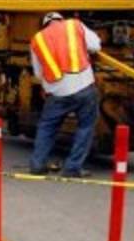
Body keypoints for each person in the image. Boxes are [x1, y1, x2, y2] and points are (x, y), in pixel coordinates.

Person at [28, 12, 102, 177]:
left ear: (44, 24)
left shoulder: (37, 39)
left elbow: (38, 73)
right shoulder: (75, 25)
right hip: (84, 86)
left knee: (47, 127)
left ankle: (37, 165)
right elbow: (96, 45)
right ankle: (72, 168)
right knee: (85, 127)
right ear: (60, 19)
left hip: (57, 92)